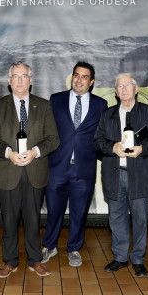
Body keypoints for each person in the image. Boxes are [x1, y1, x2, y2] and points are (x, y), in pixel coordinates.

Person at [0, 61, 59, 278]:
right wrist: (8, 153)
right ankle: (10, 261)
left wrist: (35, 151)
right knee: (8, 221)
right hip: (8, 171)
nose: (19, 80)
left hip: (35, 171)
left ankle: (35, 260)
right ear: (9, 82)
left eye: (23, 76)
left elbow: (53, 139)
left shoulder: (44, 106)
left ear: (31, 80)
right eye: (15, 76)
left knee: (33, 219)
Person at [94, 73, 148, 276]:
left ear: (135, 89)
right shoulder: (107, 115)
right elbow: (97, 142)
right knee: (116, 217)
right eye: (119, 86)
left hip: (139, 174)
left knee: (140, 218)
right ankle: (120, 257)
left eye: (127, 85)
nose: (123, 89)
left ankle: (138, 258)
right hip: (115, 174)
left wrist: (142, 148)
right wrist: (111, 147)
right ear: (115, 92)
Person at [41, 61, 107, 267]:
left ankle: (74, 248)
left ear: (92, 81)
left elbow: (101, 136)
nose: (79, 80)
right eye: (76, 75)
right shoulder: (56, 99)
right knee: (54, 211)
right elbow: (47, 131)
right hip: (57, 167)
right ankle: (49, 246)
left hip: (84, 169)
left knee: (79, 213)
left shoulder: (100, 104)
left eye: (84, 77)